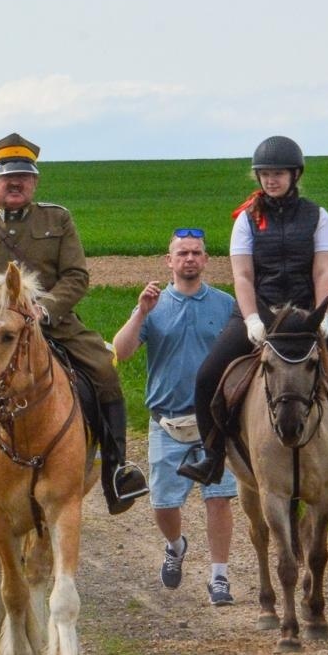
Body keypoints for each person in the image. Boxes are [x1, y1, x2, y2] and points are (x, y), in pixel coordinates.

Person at [0, 133, 149, 520]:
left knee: (103, 368)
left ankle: (117, 470)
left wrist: (43, 311)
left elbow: (76, 276)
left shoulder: (57, 219)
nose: (15, 183)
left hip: (54, 325)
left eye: (23, 176)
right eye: (7, 177)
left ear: (34, 182)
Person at [177, 135, 328, 485]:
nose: (270, 180)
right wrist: (251, 319)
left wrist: (323, 317)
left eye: (277, 173)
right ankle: (211, 456)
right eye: (264, 174)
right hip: (258, 314)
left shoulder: (318, 217)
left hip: (306, 318)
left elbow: (323, 271)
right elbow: (243, 276)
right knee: (206, 377)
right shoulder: (245, 220)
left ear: (295, 175)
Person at [111, 229, 240, 606]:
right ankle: (175, 545)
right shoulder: (153, 305)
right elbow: (121, 351)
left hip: (215, 422)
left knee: (219, 498)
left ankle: (219, 577)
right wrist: (141, 312)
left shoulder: (225, 305)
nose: (189, 259)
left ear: (206, 260)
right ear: (169, 261)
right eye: (182, 253)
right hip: (167, 421)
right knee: (164, 504)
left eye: (196, 253)